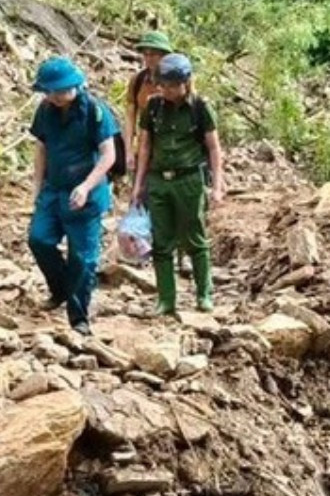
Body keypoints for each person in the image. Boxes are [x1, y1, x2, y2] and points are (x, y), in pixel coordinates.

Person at [26, 56, 117, 336]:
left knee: (83, 258)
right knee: (38, 239)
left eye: (57, 91)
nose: (54, 96)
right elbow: (42, 149)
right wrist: (37, 187)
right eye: (49, 92)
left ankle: (79, 318)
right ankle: (60, 289)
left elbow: (108, 154)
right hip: (54, 189)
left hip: (86, 193)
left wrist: (87, 186)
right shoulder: (45, 110)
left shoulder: (95, 111)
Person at [130, 53, 224, 315]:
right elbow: (146, 146)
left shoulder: (200, 107)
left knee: (195, 238)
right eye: (163, 85)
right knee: (161, 241)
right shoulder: (153, 107)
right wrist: (139, 184)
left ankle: (204, 295)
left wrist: (217, 186)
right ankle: (166, 299)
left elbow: (214, 148)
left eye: (172, 86)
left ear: (186, 82)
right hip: (159, 180)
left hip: (189, 179)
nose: (166, 90)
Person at [124, 30, 174, 178]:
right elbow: (130, 117)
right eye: (146, 54)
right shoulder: (138, 81)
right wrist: (129, 150)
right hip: (144, 147)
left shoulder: (177, 82)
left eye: (154, 54)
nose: (149, 58)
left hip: (171, 150)